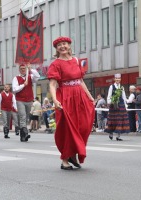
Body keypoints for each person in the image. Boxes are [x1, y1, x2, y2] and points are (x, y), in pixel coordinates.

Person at [48, 36, 95, 170]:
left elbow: (80, 81)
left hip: (79, 96)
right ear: (56, 49)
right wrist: (55, 100)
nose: (62, 47)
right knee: (69, 128)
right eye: (59, 45)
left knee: (84, 126)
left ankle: (73, 155)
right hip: (65, 97)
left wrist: (90, 97)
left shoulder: (76, 60)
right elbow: (52, 84)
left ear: (69, 45)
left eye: (64, 44)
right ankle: (65, 159)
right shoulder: (56, 64)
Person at [12, 63, 40, 142]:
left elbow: (37, 77)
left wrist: (30, 69)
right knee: (23, 116)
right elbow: (14, 89)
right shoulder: (16, 78)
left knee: (27, 116)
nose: (23, 70)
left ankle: (22, 135)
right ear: (19, 70)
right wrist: (23, 85)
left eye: (24, 68)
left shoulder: (30, 77)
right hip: (20, 100)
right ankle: (25, 134)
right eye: (21, 69)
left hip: (29, 100)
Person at [105, 73, 130, 141]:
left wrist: (126, 105)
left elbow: (124, 97)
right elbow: (109, 96)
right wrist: (110, 102)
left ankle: (118, 136)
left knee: (120, 120)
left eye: (119, 79)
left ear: (120, 79)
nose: (117, 80)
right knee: (113, 120)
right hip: (114, 105)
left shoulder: (122, 87)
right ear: (114, 79)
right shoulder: (111, 86)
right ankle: (111, 132)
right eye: (116, 78)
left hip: (121, 105)